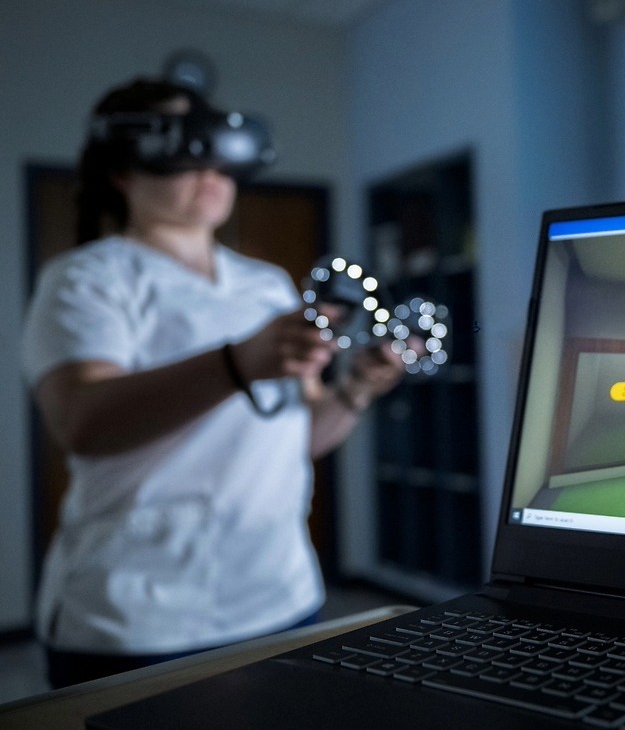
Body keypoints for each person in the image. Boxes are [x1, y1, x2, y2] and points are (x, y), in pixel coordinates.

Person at [19, 77, 407, 689]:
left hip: (281, 597)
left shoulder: (269, 285)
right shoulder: (86, 279)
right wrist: (236, 365)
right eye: (183, 151)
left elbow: (298, 437)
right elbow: (80, 422)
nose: (211, 169)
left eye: (219, 153)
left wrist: (356, 389)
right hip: (139, 619)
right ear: (123, 170)